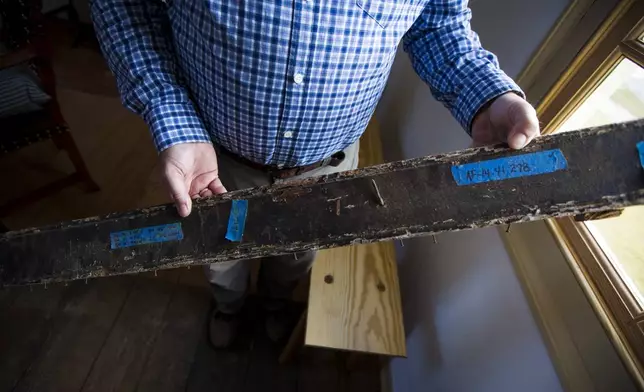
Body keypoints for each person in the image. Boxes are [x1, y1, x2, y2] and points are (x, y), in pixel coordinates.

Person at [91, 0, 540, 348]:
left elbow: (436, 22)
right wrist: (173, 118)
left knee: (298, 254)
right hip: (216, 165)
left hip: (330, 169)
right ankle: (229, 307)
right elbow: (127, 8)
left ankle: (276, 301)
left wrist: (486, 94)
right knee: (221, 253)